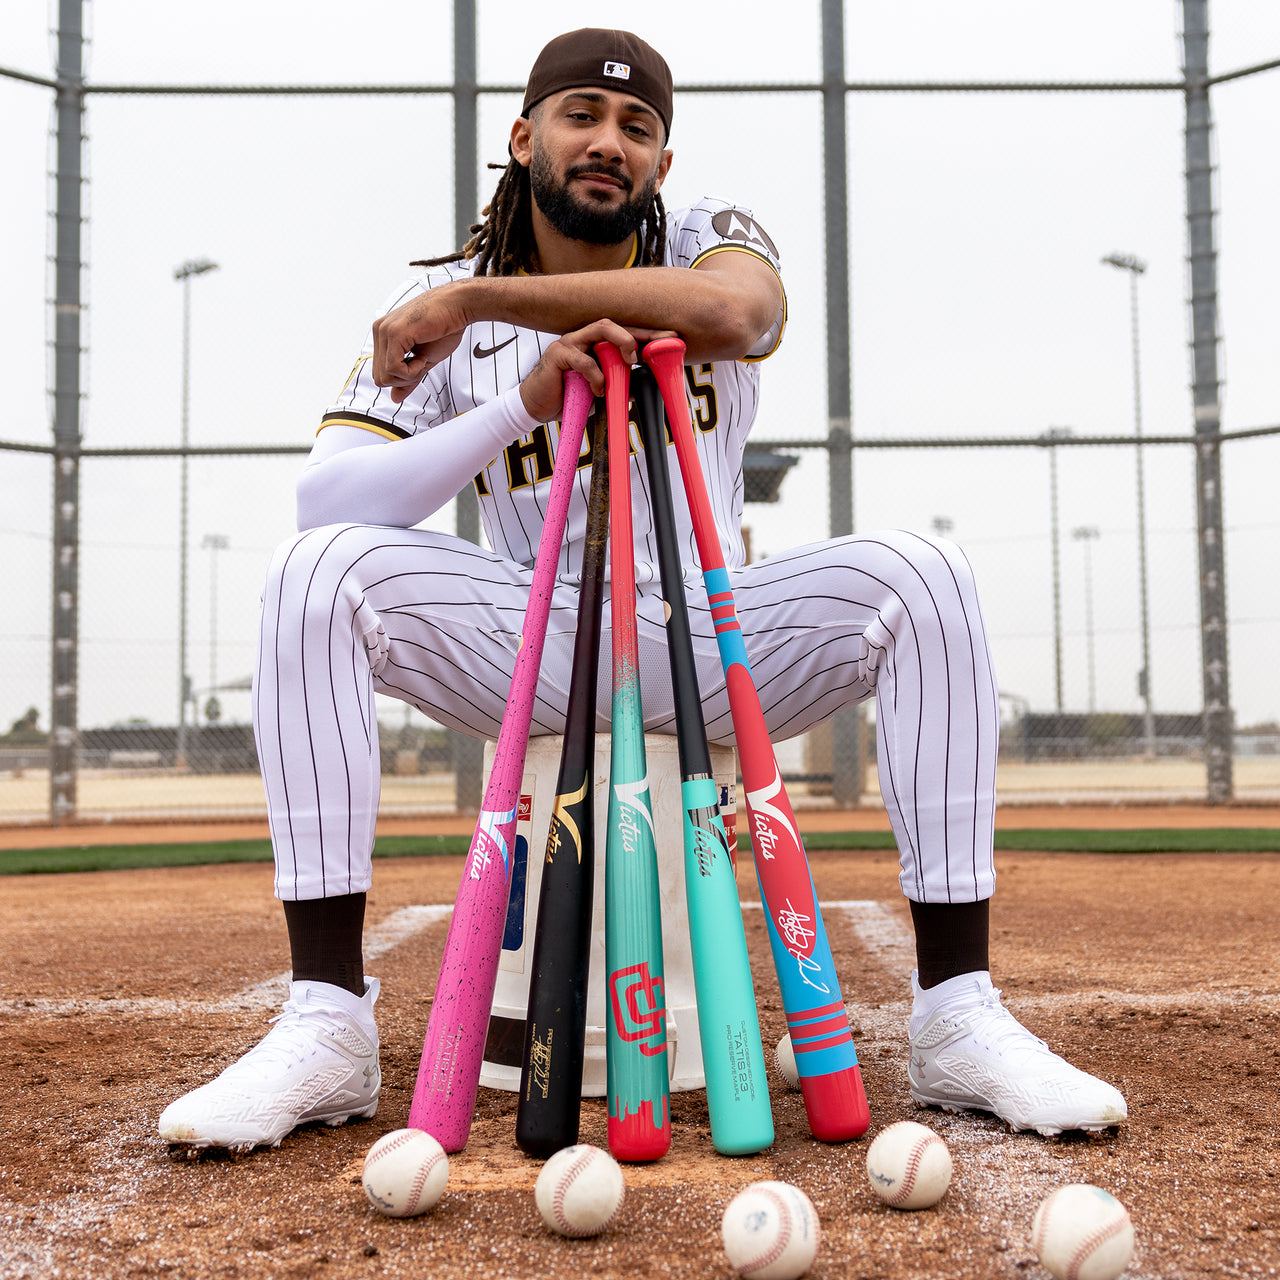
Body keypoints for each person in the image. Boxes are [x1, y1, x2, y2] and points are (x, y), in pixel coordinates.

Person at [159, 28, 1126, 1155]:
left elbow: (737, 317)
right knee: (313, 574)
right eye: (579, 115)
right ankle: (325, 1019)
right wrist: (516, 399)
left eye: (637, 127)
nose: (608, 141)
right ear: (524, 139)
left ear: (661, 162)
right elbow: (329, 504)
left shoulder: (694, 236)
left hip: (715, 632)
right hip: (538, 633)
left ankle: (957, 1011)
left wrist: (486, 302)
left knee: (922, 573)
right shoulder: (431, 303)